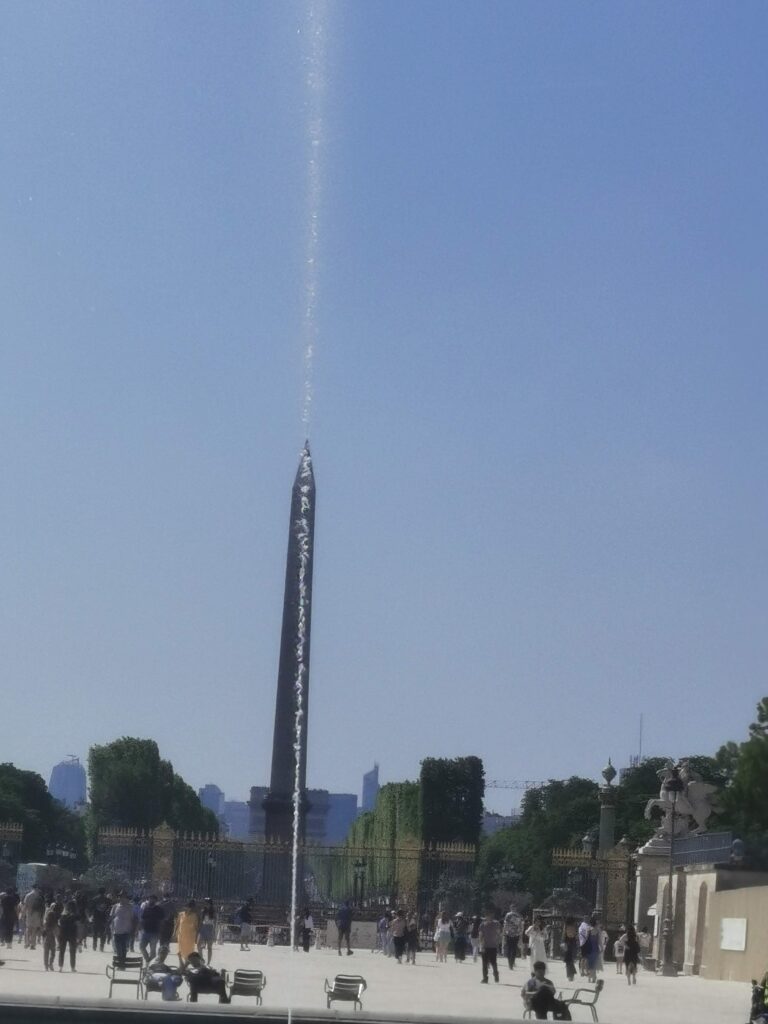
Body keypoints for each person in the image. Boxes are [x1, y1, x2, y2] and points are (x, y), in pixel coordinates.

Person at [110, 893, 134, 967]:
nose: (122, 899)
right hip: (116, 930)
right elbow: (112, 917)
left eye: (124, 897)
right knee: (118, 948)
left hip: (126, 931)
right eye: (121, 897)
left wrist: (133, 930)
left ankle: (122, 964)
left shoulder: (130, 907)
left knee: (124, 949)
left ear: (127, 898)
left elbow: (133, 918)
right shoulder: (115, 906)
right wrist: (111, 927)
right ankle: (120, 963)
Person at [139, 895, 164, 964]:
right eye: (150, 899)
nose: (150, 900)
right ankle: (148, 960)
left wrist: (160, 931)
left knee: (153, 952)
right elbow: (142, 918)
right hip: (145, 932)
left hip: (154, 933)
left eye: (152, 899)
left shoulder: (159, 909)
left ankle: (149, 963)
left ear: (155, 901)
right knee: (141, 947)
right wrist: (140, 928)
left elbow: (162, 920)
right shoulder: (146, 908)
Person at [175, 900, 200, 969]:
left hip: (190, 936)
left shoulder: (194, 916)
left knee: (189, 952)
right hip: (181, 935)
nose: (188, 908)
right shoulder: (181, 914)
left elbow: (196, 927)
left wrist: (197, 937)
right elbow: (177, 924)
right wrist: (174, 933)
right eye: (187, 907)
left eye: (189, 907)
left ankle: (185, 965)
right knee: (179, 950)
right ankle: (181, 963)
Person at [478, 909, 501, 983]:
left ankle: (494, 975)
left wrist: (497, 941)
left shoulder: (495, 923)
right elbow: (480, 936)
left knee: (493, 962)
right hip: (486, 946)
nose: (489, 917)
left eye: (490, 915)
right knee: (485, 963)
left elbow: (498, 933)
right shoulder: (483, 925)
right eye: (488, 915)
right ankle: (486, 978)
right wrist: (481, 945)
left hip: (492, 946)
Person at [58, 900, 79, 972]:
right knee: (72, 951)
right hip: (72, 934)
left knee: (62, 951)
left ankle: (60, 967)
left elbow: (60, 924)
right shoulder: (75, 916)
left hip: (63, 934)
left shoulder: (63, 915)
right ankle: (72, 967)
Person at [42, 897, 63, 971]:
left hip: (46, 938)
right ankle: (50, 964)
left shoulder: (46, 922)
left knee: (46, 952)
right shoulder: (55, 924)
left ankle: (46, 966)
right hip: (52, 938)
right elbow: (57, 933)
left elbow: (43, 929)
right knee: (52, 952)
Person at [23, 885, 45, 950]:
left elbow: (25, 905)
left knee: (28, 928)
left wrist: (23, 914)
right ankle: (33, 945)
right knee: (34, 930)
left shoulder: (28, 895)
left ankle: (27, 943)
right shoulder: (39, 896)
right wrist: (42, 916)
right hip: (37, 914)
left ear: (32, 888)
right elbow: (42, 907)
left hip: (29, 914)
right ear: (37, 888)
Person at [198, 899, 217, 963]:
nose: (205, 904)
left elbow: (215, 921)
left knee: (209, 947)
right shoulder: (203, 910)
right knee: (198, 944)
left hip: (210, 927)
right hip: (203, 927)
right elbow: (201, 920)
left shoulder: (213, 911)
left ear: (210, 903)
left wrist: (214, 931)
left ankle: (208, 962)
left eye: (207, 903)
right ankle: (201, 959)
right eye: (205, 903)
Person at [503, 905, 522, 970]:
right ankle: (512, 963)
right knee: (514, 949)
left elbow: (505, 924)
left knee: (509, 948)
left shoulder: (508, 915)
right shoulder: (518, 915)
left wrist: (504, 932)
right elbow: (520, 925)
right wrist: (519, 933)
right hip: (516, 934)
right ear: (516, 908)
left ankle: (510, 963)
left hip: (509, 933)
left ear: (511, 908)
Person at [561, 916, 579, 982]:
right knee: (571, 960)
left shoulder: (566, 926)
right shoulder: (574, 926)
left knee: (568, 961)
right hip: (573, 943)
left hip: (567, 942)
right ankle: (571, 975)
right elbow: (576, 935)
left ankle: (569, 975)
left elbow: (564, 934)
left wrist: (562, 941)